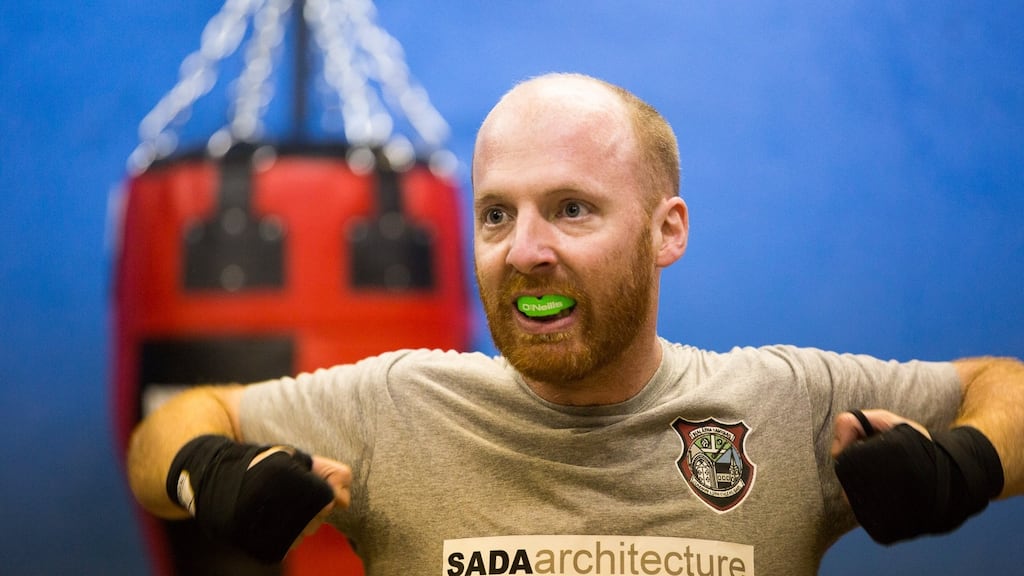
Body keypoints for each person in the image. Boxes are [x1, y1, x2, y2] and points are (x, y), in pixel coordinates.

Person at [127, 72, 1023, 575]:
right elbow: (169, 425)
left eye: (571, 209)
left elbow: (1007, 387)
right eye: (495, 215)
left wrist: (960, 469)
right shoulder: (398, 405)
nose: (525, 251)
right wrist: (210, 473)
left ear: (666, 230)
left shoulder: (784, 405)